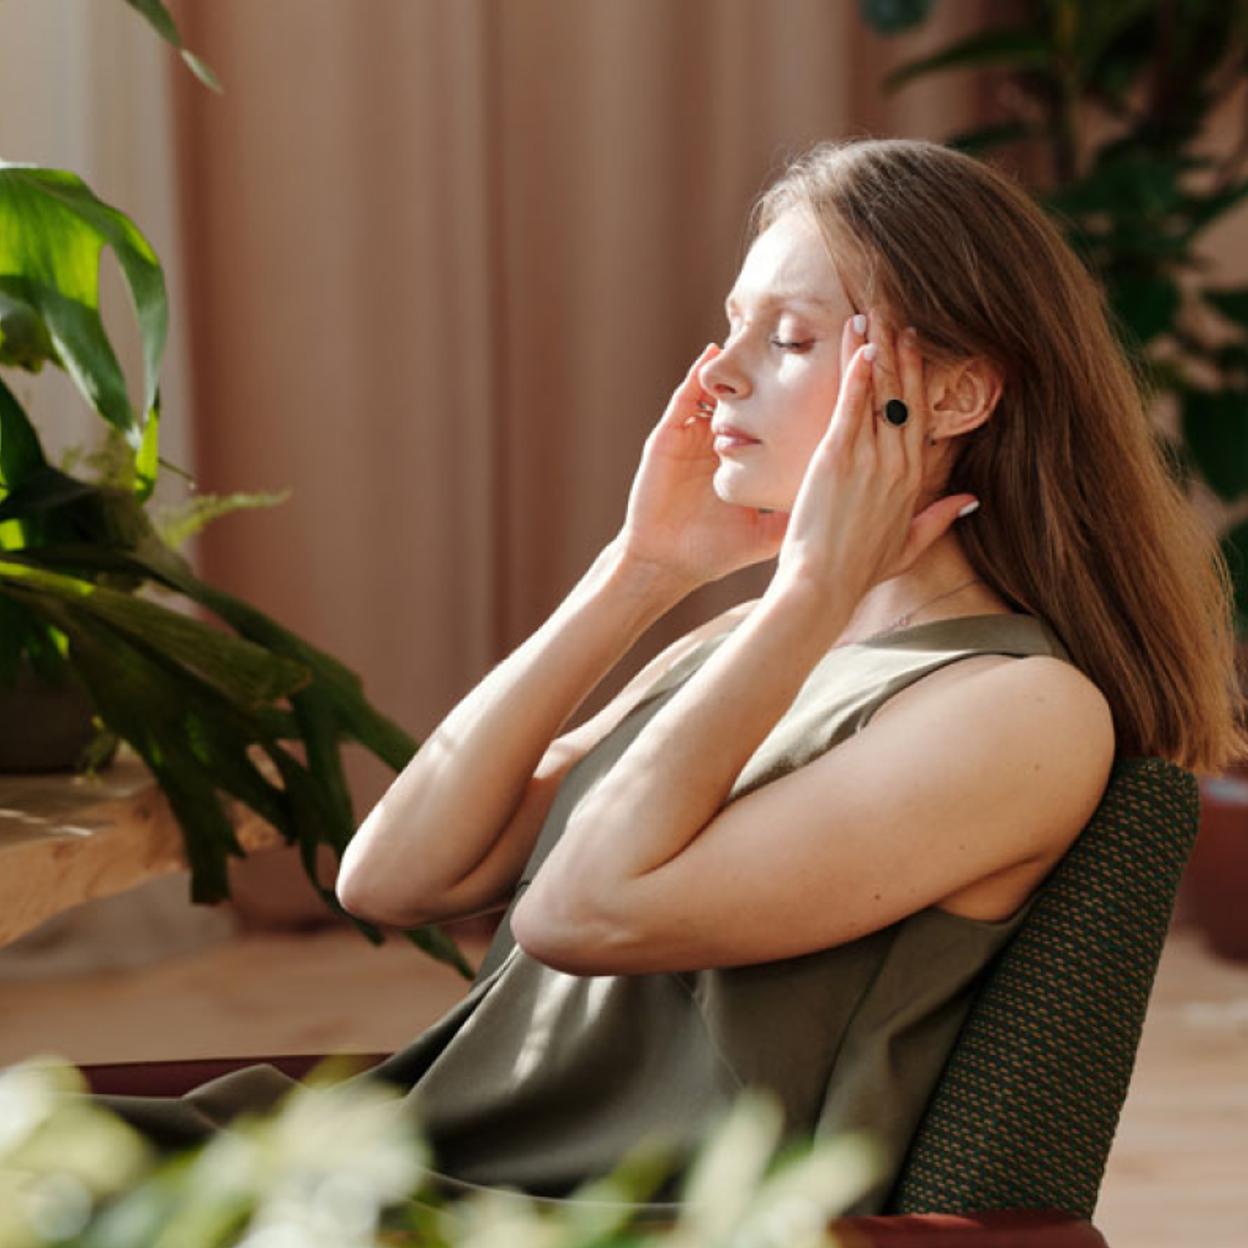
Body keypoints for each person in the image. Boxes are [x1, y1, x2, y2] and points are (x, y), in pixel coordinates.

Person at [59, 137, 1248, 1220]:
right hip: (386, 1158)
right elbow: (393, 876)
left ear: (950, 394)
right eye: (729, 328)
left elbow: (579, 912)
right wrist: (637, 572)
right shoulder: (749, 648)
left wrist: (808, 596)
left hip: (568, 1222)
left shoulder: (1018, 712)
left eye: (786, 340)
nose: (717, 376)